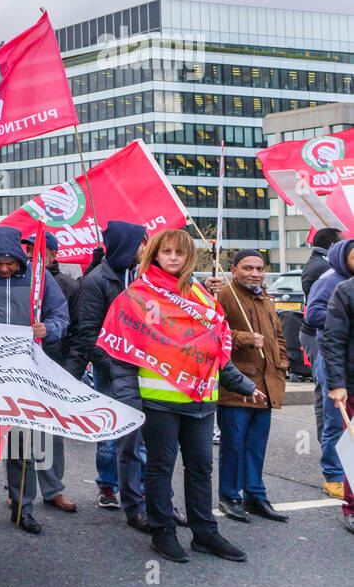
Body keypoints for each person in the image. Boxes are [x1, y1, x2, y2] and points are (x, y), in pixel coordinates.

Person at [103, 229, 263, 564]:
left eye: (180, 252)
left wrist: (244, 385)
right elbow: (121, 357)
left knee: (201, 468)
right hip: (158, 402)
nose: (173, 258)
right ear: (155, 255)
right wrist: (129, 402)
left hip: (202, 402)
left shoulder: (203, 298)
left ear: (190, 257)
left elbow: (215, 354)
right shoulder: (136, 296)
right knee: (160, 469)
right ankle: (162, 532)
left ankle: (205, 533)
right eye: (167, 252)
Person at [0, 226, 70, 534]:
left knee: (23, 446)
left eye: (11, 262)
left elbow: (61, 315)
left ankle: (24, 509)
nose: (6, 267)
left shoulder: (39, 278)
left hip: (26, 375)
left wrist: (48, 329)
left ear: (20, 258)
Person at [65, 221, 157, 526]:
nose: (145, 249)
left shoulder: (147, 276)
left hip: (144, 366)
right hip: (111, 368)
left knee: (139, 433)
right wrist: (115, 364)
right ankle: (108, 485)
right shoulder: (96, 281)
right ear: (125, 246)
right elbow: (88, 332)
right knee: (111, 430)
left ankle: (139, 488)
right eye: (140, 243)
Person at [216, 249, 289, 523]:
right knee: (233, 445)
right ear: (234, 270)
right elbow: (213, 332)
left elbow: (278, 335)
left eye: (259, 268)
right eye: (248, 268)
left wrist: (282, 360)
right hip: (238, 384)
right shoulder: (225, 296)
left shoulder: (265, 298)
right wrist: (245, 338)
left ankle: (255, 496)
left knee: (256, 445)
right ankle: (230, 496)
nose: (255, 273)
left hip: (267, 384)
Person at [25, 231, 80, 513]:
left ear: (53, 255)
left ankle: (53, 488)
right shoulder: (18, 279)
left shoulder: (68, 285)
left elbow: (78, 328)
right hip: (20, 368)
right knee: (19, 431)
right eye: (28, 250)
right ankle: (19, 490)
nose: (32, 257)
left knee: (50, 430)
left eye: (39, 251)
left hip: (54, 365)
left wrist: (70, 369)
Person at [303, 235, 354, 501]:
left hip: (346, 356)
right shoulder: (332, 281)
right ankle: (334, 475)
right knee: (336, 420)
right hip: (331, 355)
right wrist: (343, 317)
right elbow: (312, 315)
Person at [318, 262, 354, 534]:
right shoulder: (346, 291)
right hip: (352, 384)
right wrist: (337, 384)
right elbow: (334, 340)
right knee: (353, 448)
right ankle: (352, 508)